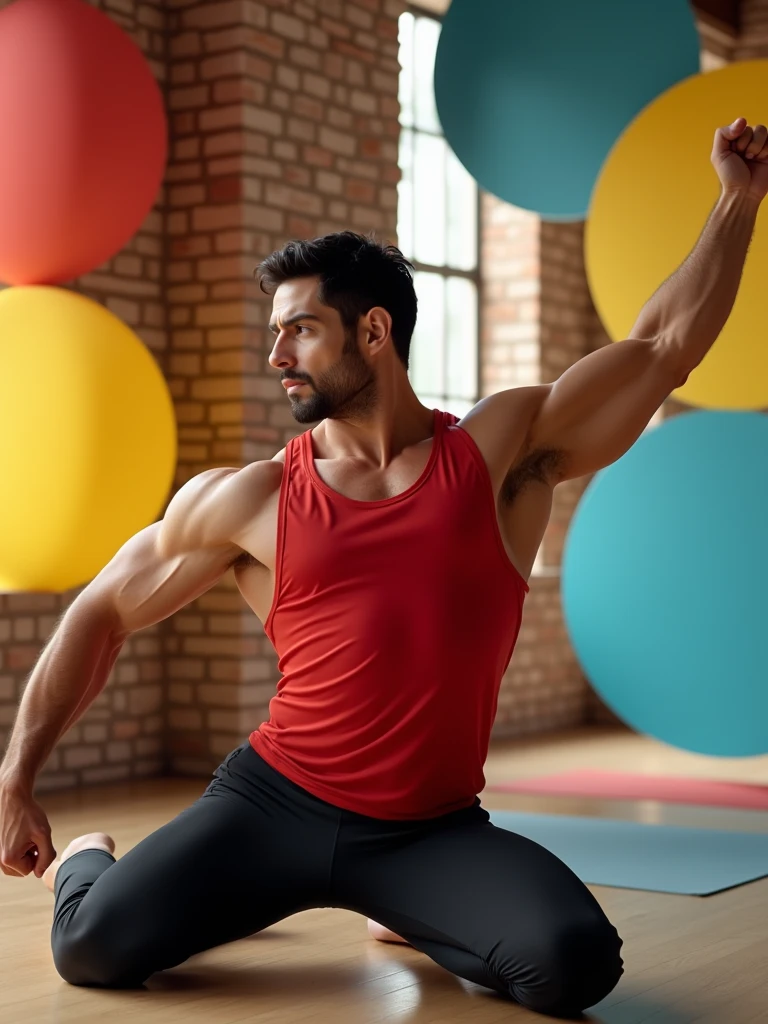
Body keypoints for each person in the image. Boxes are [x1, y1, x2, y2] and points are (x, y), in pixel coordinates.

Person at [0, 116, 765, 1017]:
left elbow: (663, 348)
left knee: (574, 965)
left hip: (428, 830)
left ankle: (404, 907)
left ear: (373, 331)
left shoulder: (499, 453)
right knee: (91, 947)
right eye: (274, 333)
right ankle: (94, 860)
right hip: (272, 807)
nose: (276, 355)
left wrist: (737, 201)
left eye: (300, 331)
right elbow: (103, 611)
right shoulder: (247, 500)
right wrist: (17, 778)